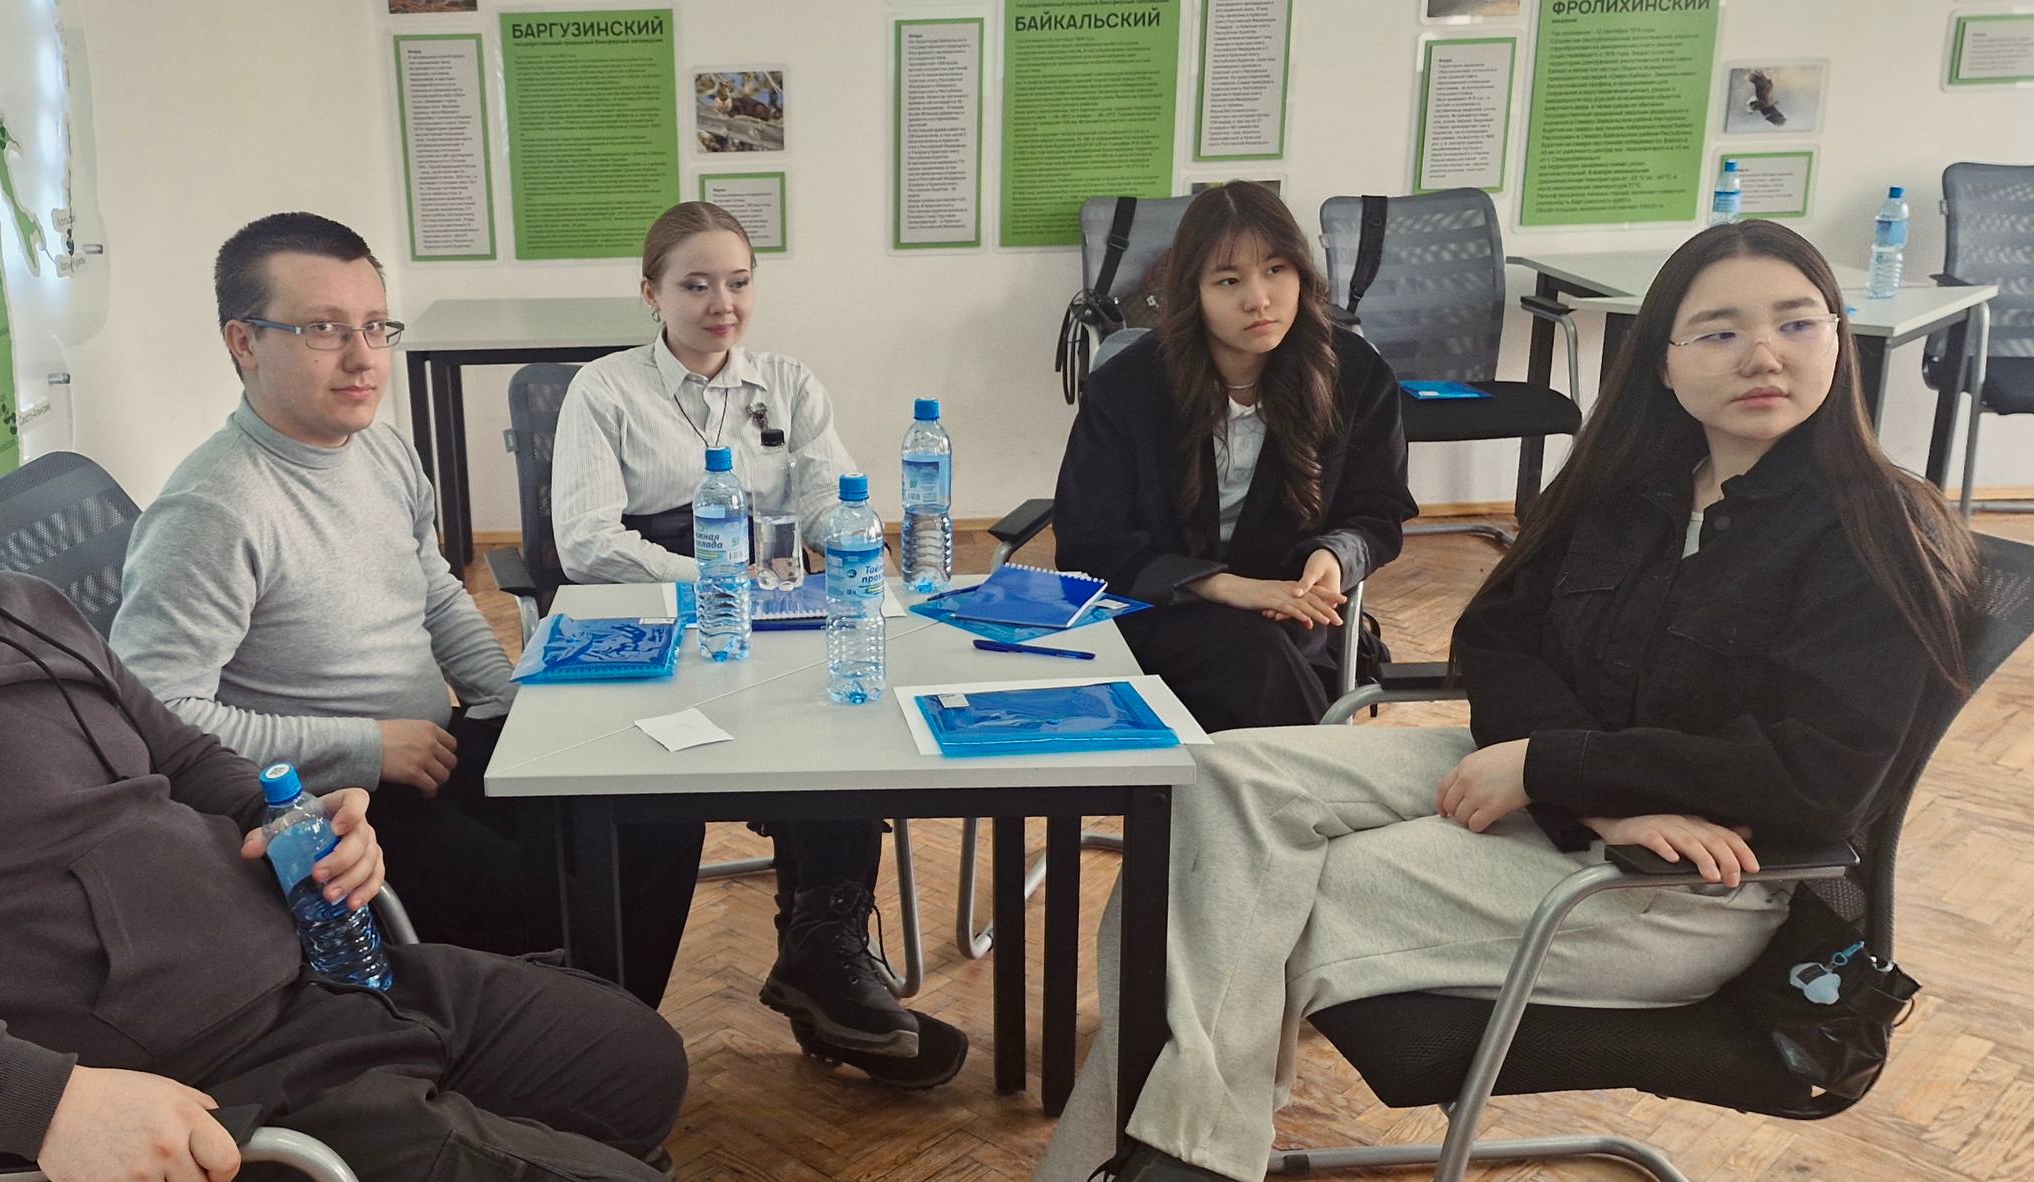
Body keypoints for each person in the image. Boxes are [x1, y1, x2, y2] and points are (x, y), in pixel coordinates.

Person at [0, 277, 688, 1182]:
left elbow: (183, 753)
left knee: (638, 1066)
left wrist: (293, 814)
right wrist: (42, 1105)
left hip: (322, 987)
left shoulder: (20, 606)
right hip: (197, 1100)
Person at [1042, 219, 1982, 1182]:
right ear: (1662, 363)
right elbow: (1495, 639)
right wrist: (1579, 785)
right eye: (1719, 331)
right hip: (1566, 794)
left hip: (1684, 882)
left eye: (1796, 323)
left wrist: (1559, 772)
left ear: (1839, 339)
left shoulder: (1879, 531)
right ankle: (1178, 1153)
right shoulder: (1639, 488)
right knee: (1205, 790)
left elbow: (1818, 776)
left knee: (1249, 896)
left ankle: (1162, 1163)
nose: (1763, 355)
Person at [109, 213, 705, 1004]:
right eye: (324, 329)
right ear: (244, 342)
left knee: (658, 814)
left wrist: (511, 705)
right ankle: (574, 1034)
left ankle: (610, 1028)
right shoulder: (213, 510)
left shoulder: (379, 448)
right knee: (572, 894)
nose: (363, 358)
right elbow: (156, 721)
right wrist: (365, 746)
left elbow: (436, 592)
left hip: (431, 750)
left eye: (374, 327)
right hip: (338, 812)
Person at [551, 200, 966, 1087]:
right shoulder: (605, 390)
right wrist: (717, 578)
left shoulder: (788, 383)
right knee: (654, 783)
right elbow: (586, 542)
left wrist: (847, 538)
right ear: (651, 293)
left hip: (778, 611)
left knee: (845, 725)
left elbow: (824, 495)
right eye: (695, 285)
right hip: (656, 618)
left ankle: (824, 954)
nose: (722, 305)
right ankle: (606, 1035)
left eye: (738, 283)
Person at [1051, 181, 1417, 731]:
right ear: (1192, 292)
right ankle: (1316, 779)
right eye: (1229, 280)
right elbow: (1089, 541)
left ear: (1302, 274)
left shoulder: (1355, 375)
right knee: (1252, 655)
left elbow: (1378, 510)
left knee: (1263, 651)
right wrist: (1222, 586)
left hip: (1289, 612)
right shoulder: (1127, 388)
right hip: (1158, 613)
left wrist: (1333, 557)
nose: (1259, 299)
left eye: (1275, 270)